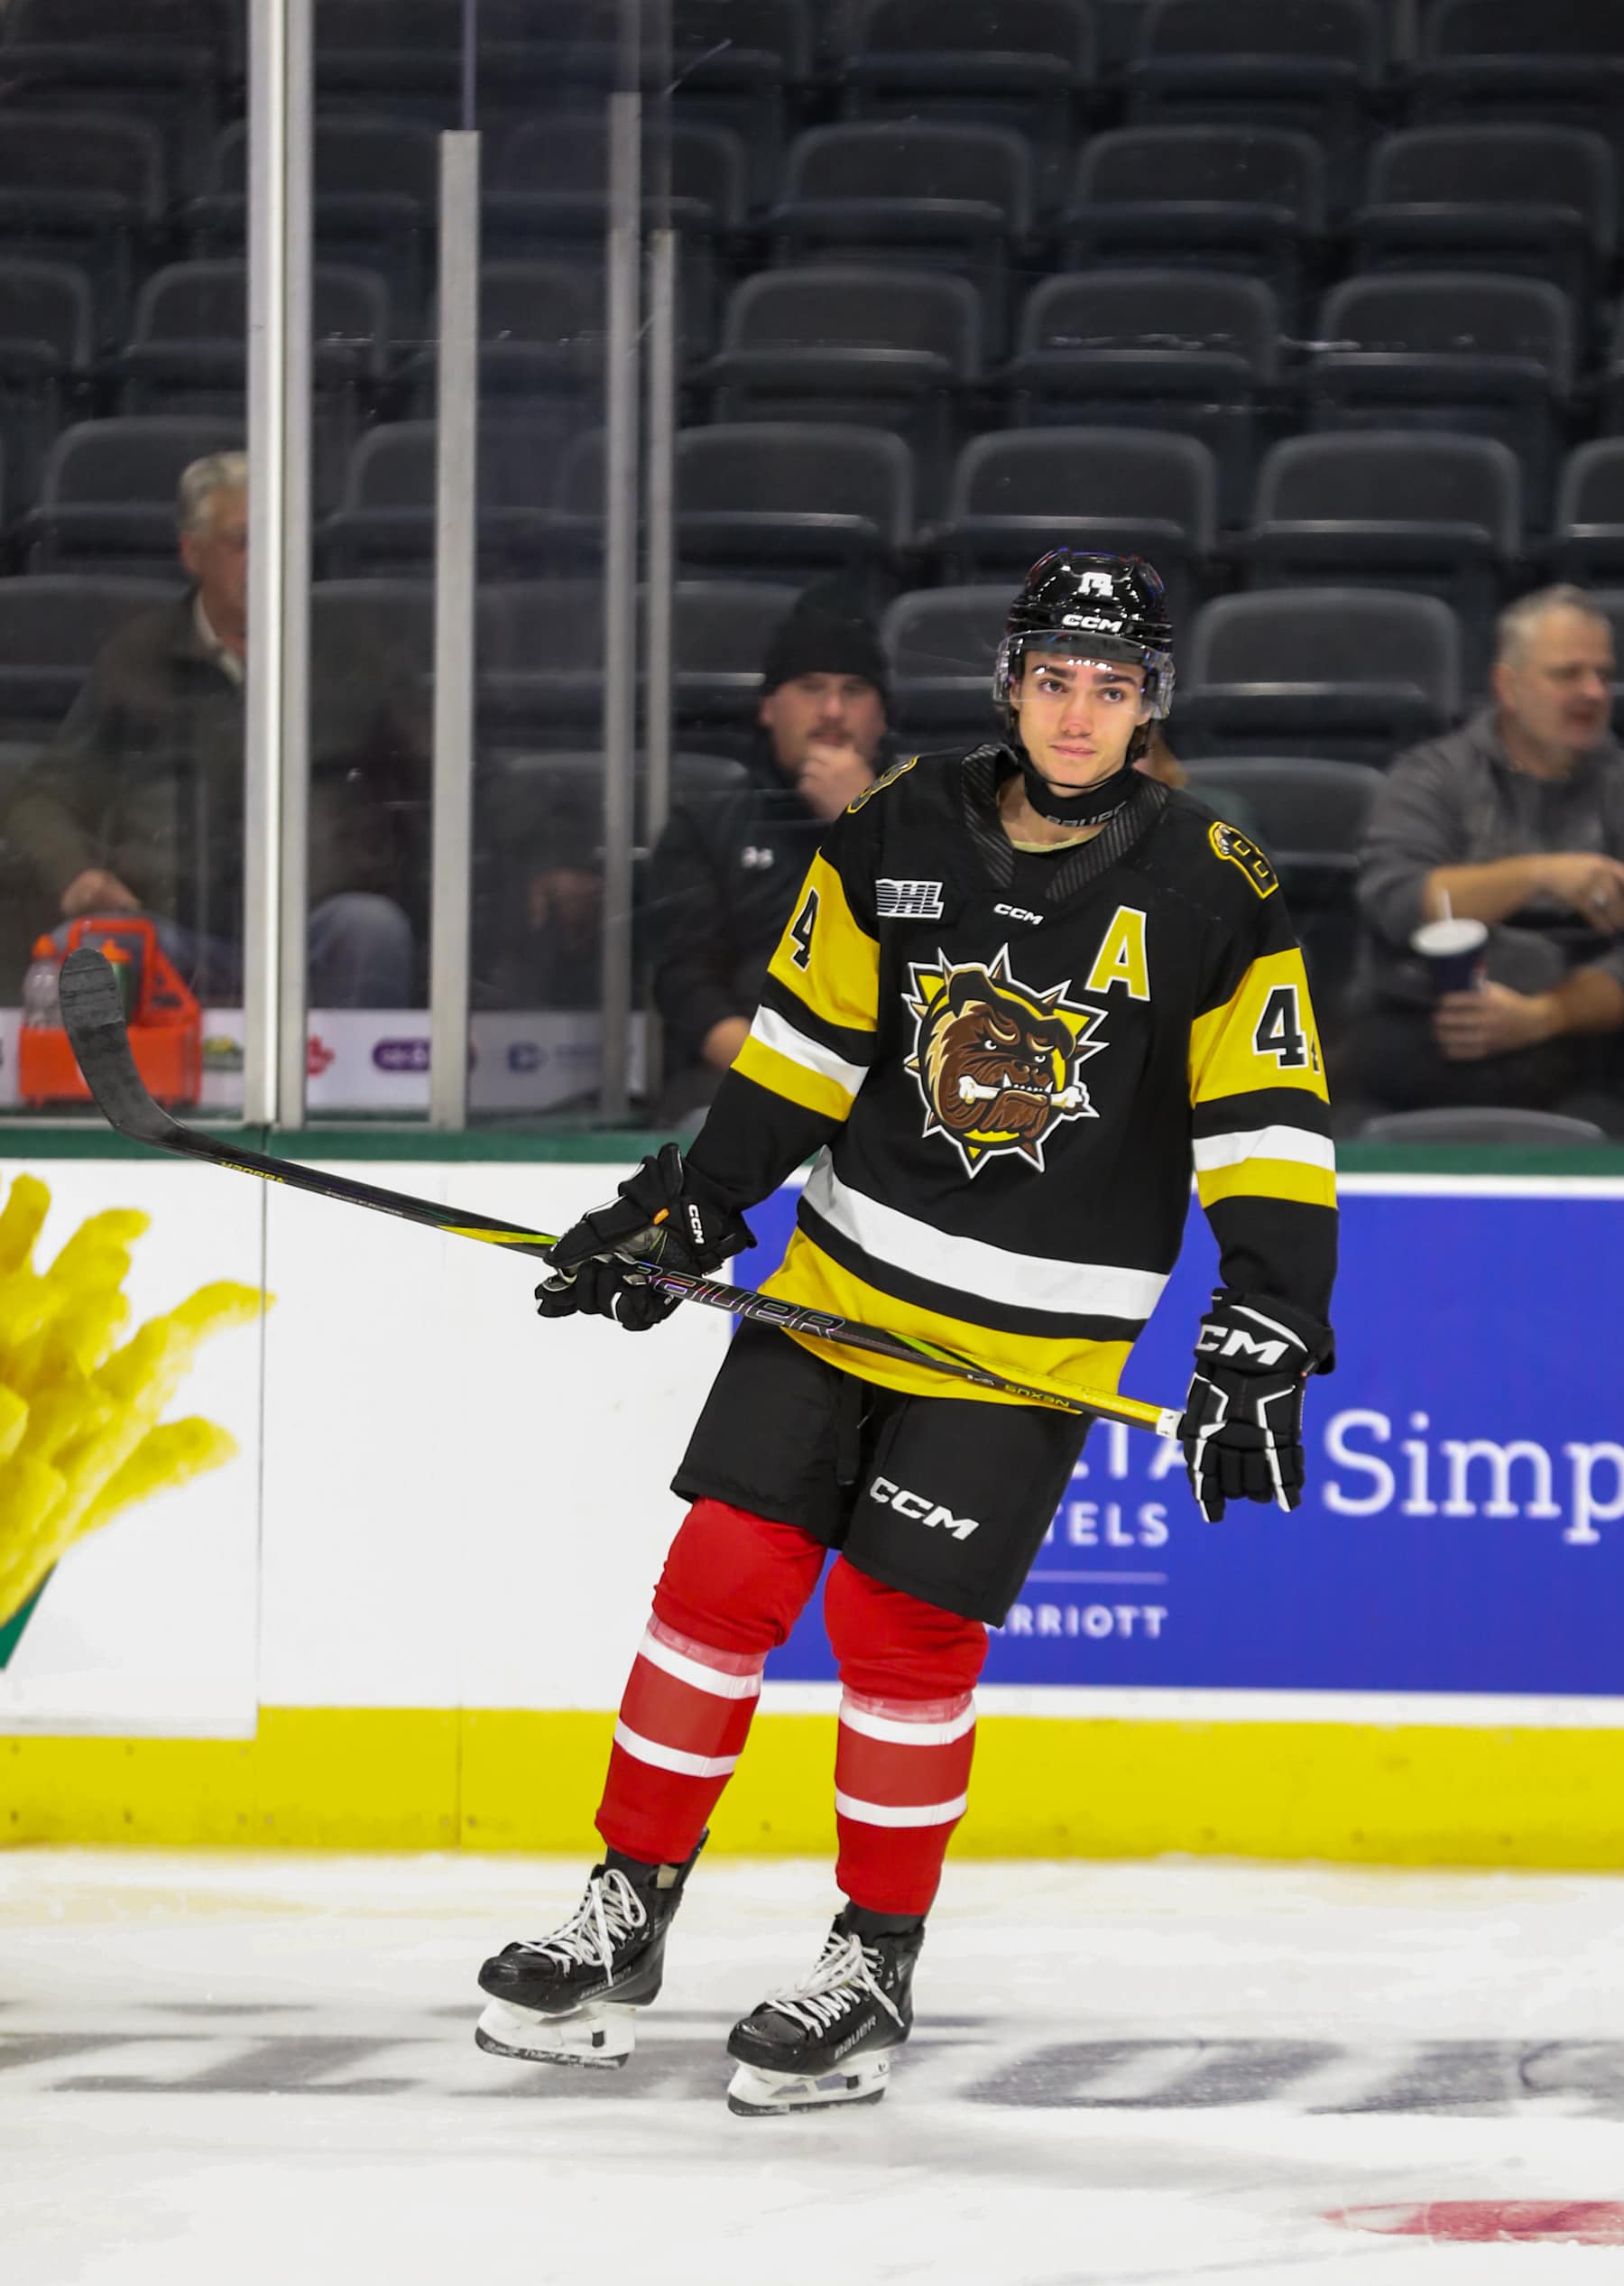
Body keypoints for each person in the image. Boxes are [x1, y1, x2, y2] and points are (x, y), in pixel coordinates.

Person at [476, 551, 1339, 2118]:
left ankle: (871, 1963)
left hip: (1026, 1347)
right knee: (719, 1582)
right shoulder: (898, 826)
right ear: (1011, 683)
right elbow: (804, 1049)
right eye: (1058, 680)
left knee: (900, 1635)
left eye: (1116, 688)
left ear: (1154, 708)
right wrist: (694, 1205)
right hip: (840, 1283)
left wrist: (1269, 1314)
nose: (1081, 714)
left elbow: (1270, 1127)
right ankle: (626, 1911)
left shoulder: (1218, 879)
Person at [4, 451, 429, 1005]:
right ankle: (112, 1097)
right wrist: (77, 872)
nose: (266, 561)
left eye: (280, 541)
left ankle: (352, 1094)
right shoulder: (139, 657)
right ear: (192, 552)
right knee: (81, 953)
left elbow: (451, 770)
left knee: (373, 930)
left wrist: (552, 853)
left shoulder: (357, 654)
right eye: (244, 541)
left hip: (322, 930)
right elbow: (41, 797)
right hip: (170, 933)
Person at [1340, 585, 1624, 1133]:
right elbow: (1401, 901)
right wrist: (1543, 874)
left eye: (1602, 674)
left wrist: (1544, 1017)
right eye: (1568, 674)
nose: (1592, 692)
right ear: (1507, 686)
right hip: (1422, 1043)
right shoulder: (1431, 776)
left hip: (1581, 1057)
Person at [647, 589, 896, 1122]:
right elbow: (685, 983)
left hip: (898, 1082)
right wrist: (780, 1080)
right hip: (746, 1082)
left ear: (881, 716)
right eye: (810, 689)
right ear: (768, 707)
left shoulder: (935, 818)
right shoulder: (707, 822)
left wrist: (864, 819)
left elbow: (957, 955)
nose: (832, 711)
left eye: (853, 691)